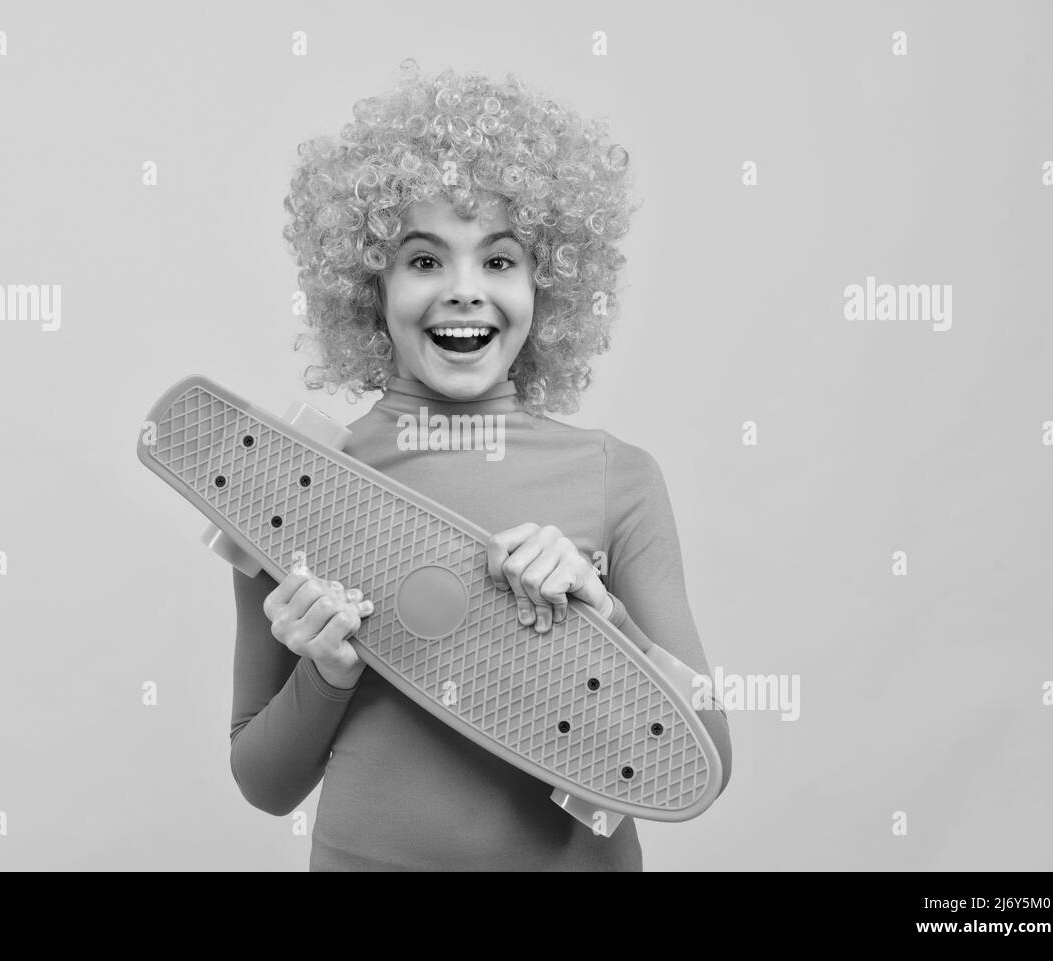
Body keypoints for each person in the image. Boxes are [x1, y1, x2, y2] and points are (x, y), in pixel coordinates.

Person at [229, 60, 732, 871]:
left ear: (549, 284)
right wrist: (324, 670)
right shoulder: (294, 478)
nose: (465, 291)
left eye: (498, 260)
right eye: (425, 260)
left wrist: (607, 618)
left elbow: (705, 758)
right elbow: (264, 781)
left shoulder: (617, 477)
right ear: (371, 284)